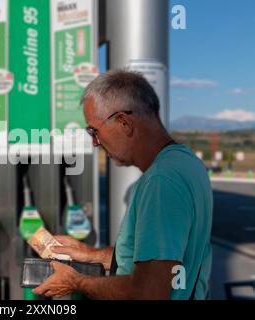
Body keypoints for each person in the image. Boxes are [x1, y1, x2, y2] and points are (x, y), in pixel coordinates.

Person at [33, 70, 213, 300]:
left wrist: (77, 282)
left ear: (123, 122)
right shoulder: (187, 163)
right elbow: (162, 262)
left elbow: (149, 290)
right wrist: (92, 255)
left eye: (94, 131)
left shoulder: (161, 181)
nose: (95, 142)